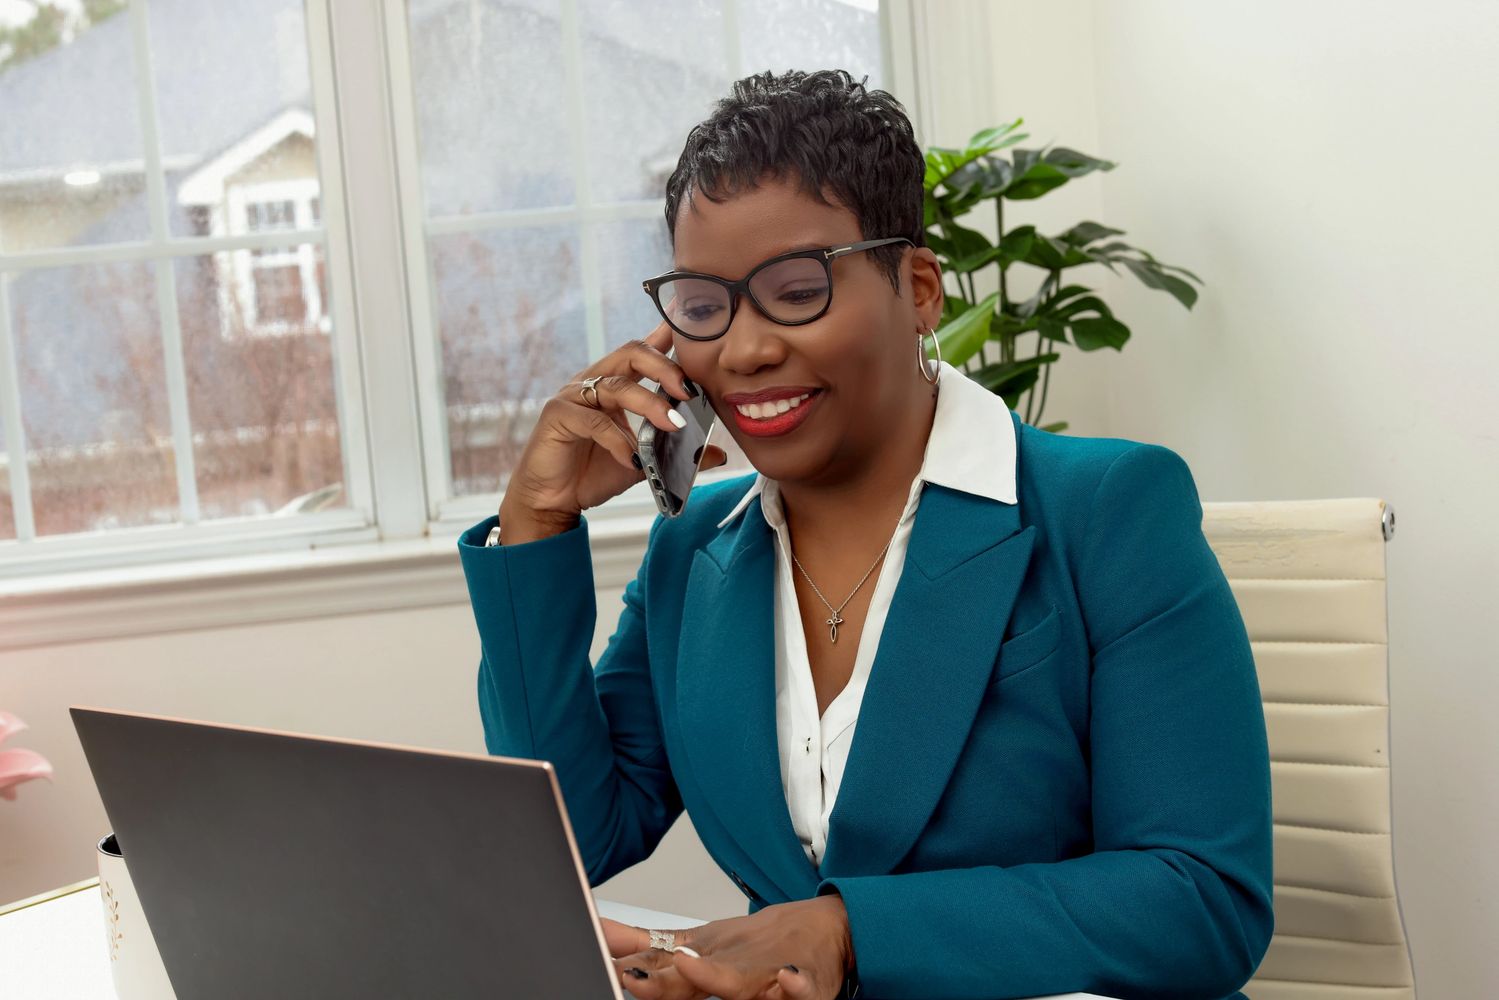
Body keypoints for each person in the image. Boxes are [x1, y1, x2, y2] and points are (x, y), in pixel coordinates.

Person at [458, 68, 1273, 1000]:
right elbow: (578, 836)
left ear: (918, 288)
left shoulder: (1107, 509)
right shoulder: (697, 553)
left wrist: (846, 931)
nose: (743, 348)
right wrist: (535, 523)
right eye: (699, 305)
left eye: (796, 290)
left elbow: (1202, 898)